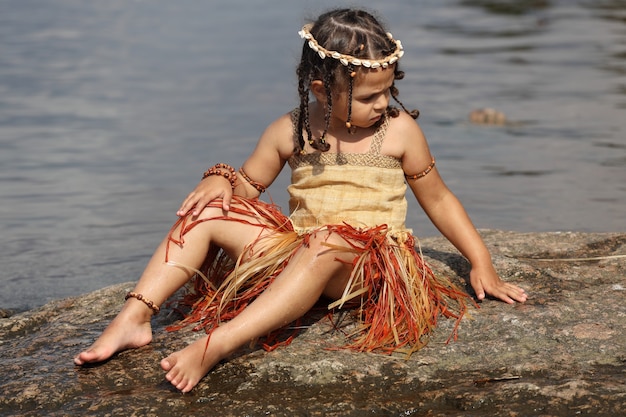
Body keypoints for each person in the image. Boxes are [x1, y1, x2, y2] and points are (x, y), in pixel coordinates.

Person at [74, 8, 527, 393]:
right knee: (208, 211)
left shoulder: (400, 131)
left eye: (389, 90)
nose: (383, 103)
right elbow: (245, 191)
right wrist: (218, 178)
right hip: (298, 254)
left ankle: (217, 346)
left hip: (367, 264)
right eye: (369, 96)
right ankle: (133, 318)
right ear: (321, 91)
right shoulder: (290, 130)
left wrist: (480, 260)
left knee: (328, 240)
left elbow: (441, 199)